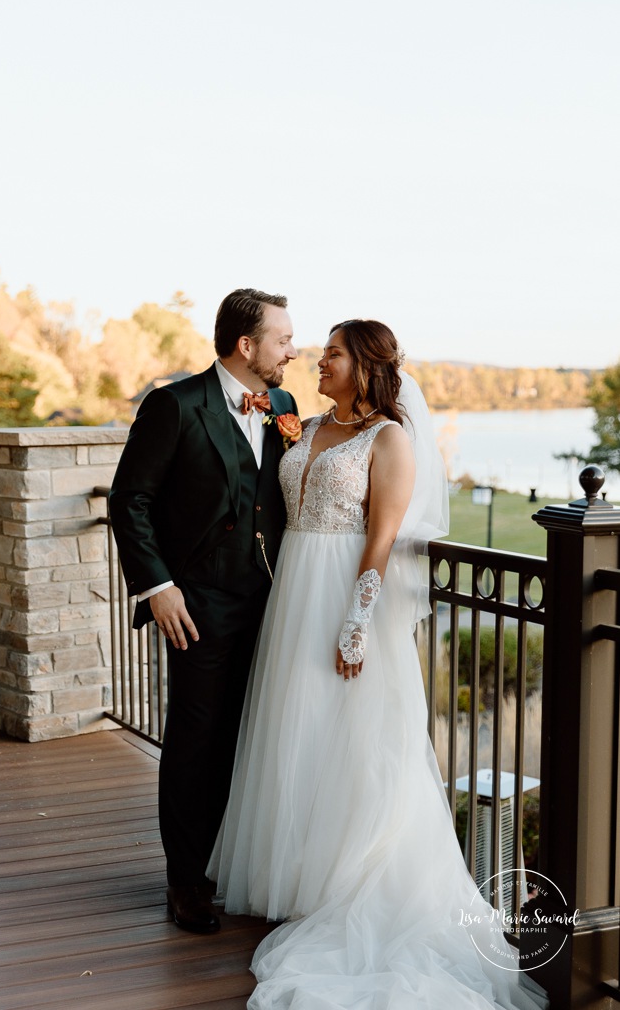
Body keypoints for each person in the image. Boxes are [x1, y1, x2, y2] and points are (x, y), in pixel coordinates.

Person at [209, 320, 547, 1009]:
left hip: (341, 597)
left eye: (330, 353)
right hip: (291, 600)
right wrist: (270, 426)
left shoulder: (389, 439)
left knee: (354, 744)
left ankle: (347, 881)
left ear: (362, 363)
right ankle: (295, 878)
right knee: (294, 733)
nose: (316, 362)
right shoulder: (302, 426)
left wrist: (357, 621)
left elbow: (383, 540)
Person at [108, 288, 298, 935]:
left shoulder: (284, 406)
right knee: (195, 740)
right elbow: (128, 500)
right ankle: (186, 881)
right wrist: (157, 586)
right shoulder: (174, 404)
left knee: (251, 738)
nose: (291, 352)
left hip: (271, 601)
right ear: (247, 346)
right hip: (197, 604)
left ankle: (232, 864)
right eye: (282, 340)